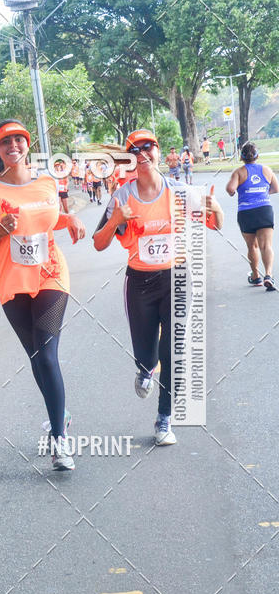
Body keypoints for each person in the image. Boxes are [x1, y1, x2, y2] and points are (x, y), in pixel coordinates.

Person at [93, 128, 223, 447]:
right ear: (128, 160)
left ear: (158, 151)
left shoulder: (180, 191)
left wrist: (214, 205)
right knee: (146, 354)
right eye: (135, 151)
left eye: (147, 148)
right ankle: (146, 368)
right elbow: (98, 243)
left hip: (177, 279)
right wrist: (114, 221)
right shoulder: (122, 196)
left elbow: (217, 223)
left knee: (174, 351)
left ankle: (164, 418)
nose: (142, 155)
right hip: (139, 283)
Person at [0, 119, 86, 471]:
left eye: (18, 140)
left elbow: (48, 218)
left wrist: (71, 221)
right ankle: (60, 414)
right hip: (12, 281)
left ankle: (60, 442)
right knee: (36, 356)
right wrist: (1, 232)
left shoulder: (47, 182)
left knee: (48, 355)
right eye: (5, 142)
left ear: (27, 144)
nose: (13, 147)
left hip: (51, 274)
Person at [226, 143, 278, 290]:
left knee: (252, 246)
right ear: (257, 156)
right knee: (266, 245)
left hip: (246, 212)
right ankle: (268, 275)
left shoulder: (239, 172)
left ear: (242, 157)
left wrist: (235, 193)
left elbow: (230, 189)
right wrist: (261, 193)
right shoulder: (266, 170)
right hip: (264, 210)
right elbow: (276, 188)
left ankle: (256, 277)